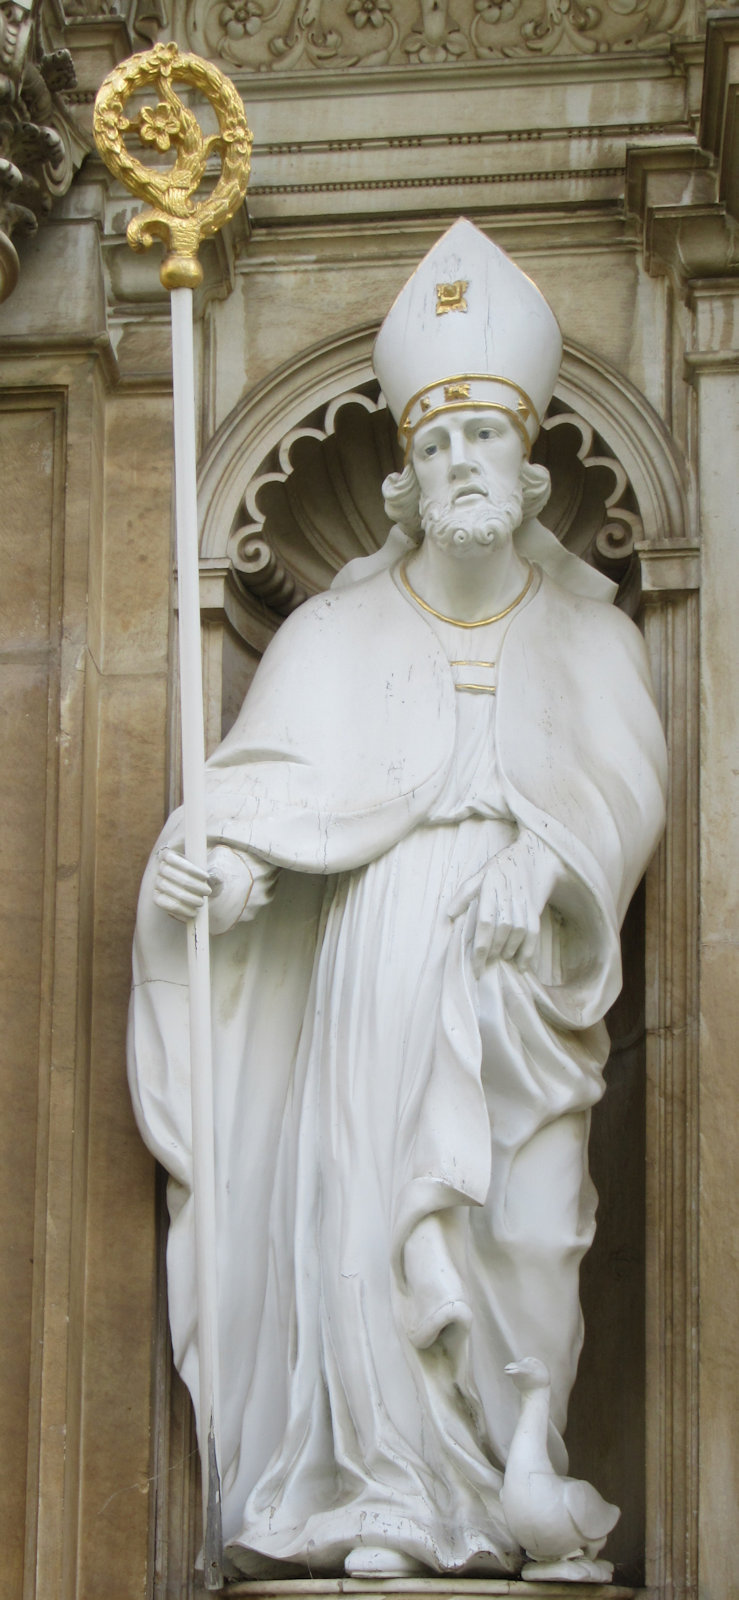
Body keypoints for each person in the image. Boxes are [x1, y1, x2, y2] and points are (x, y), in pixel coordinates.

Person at [129, 219, 667, 1580]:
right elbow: (272, 798)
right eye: (434, 445)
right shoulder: (331, 632)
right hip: (375, 964)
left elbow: (623, 798)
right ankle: (383, 1488)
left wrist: (548, 865)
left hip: (526, 982)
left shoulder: (592, 632)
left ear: (531, 470)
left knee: (534, 1231)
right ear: (404, 484)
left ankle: (517, 1471)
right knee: (365, 1216)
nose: (459, 461)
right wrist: (216, 862)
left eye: (483, 437)